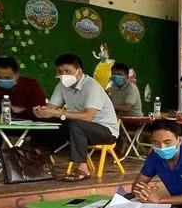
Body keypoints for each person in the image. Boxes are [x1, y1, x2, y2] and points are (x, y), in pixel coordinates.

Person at [33, 53, 119, 182]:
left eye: (67, 71)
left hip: (105, 131)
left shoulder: (92, 86)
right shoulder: (61, 85)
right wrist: (42, 112)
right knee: (45, 124)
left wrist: (58, 113)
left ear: (79, 72)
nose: (63, 75)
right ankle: (40, 163)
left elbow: (88, 117)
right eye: (60, 71)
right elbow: (51, 108)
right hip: (80, 129)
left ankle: (83, 169)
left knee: (76, 124)